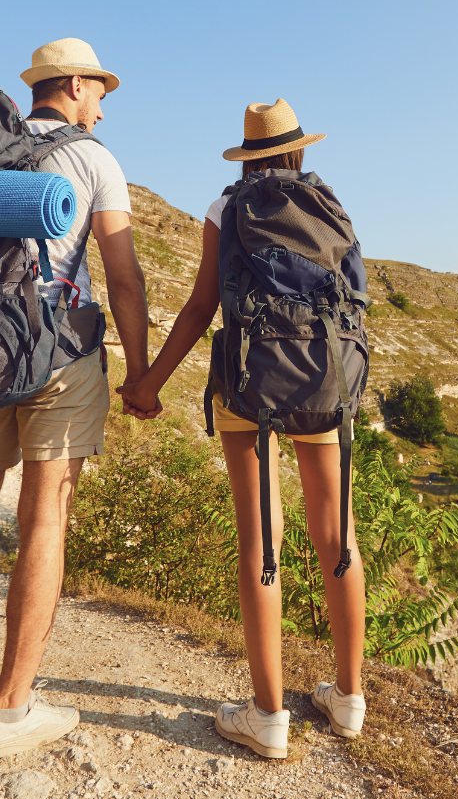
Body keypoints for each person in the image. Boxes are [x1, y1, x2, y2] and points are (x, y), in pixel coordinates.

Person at [0, 37, 155, 759]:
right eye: (101, 91)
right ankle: (11, 710)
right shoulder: (92, 158)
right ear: (77, 85)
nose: (104, 104)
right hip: (58, 355)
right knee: (43, 521)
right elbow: (122, 276)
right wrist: (140, 372)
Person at [118, 99, 367, 758]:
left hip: (250, 382)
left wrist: (149, 381)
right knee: (337, 533)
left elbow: (202, 306)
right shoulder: (330, 204)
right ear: (299, 152)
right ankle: (348, 699)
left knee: (262, 541)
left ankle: (268, 714)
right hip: (323, 377)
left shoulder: (226, 209)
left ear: (248, 155)